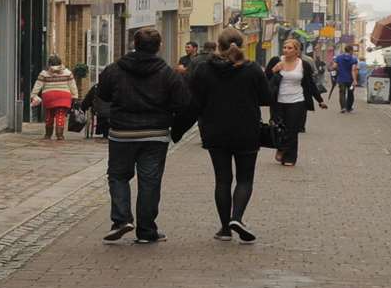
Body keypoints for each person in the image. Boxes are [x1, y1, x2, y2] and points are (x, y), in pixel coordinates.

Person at [173, 27, 271, 242]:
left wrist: (177, 129)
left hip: (215, 130)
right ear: (242, 45)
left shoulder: (204, 69)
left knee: (222, 180)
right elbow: (266, 98)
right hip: (247, 130)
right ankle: (237, 217)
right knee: (245, 178)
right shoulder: (252, 69)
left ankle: (225, 229)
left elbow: (193, 103)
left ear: (218, 45)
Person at [94, 27, 189, 244]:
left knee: (118, 176)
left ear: (134, 44)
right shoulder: (168, 73)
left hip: (122, 133)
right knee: (150, 181)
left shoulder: (115, 69)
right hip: (155, 134)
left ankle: (121, 219)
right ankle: (146, 231)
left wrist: (110, 119)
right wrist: (172, 124)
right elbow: (183, 102)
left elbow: (102, 96)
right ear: (159, 46)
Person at [265, 38, 327, 167]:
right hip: (278, 101)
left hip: (297, 100)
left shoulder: (303, 64)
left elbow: (309, 84)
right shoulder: (276, 61)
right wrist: (274, 70)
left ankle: (290, 158)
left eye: (290, 48)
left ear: (297, 51)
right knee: (279, 128)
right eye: (285, 47)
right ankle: (281, 148)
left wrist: (320, 100)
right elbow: (264, 80)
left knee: (292, 130)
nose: (286, 50)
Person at [29, 55, 79, 140]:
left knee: (49, 115)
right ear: (60, 63)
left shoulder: (44, 73)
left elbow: (38, 85)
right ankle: (59, 135)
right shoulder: (67, 72)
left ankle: (48, 134)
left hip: (49, 96)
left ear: (49, 63)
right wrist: (75, 96)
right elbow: (73, 86)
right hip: (63, 96)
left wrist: (33, 95)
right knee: (60, 115)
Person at [333, 44, 360, 113]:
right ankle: (349, 108)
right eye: (352, 51)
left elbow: (334, 66)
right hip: (350, 80)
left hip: (341, 79)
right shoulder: (353, 59)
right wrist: (354, 80)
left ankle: (343, 108)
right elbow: (353, 70)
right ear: (351, 51)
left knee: (342, 93)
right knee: (350, 93)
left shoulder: (338, 57)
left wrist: (339, 69)